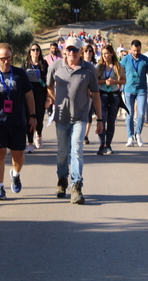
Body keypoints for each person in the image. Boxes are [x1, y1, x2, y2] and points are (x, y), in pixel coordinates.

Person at [47, 37, 103, 205]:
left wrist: (100, 119)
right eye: (69, 49)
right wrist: (55, 100)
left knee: (77, 150)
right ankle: (62, 179)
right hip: (62, 117)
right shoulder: (55, 67)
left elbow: (95, 94)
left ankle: (76, 185)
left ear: (81, 51)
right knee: (63, 152)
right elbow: (49, 86)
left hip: (80, 116)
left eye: (75, 50)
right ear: (65, 50)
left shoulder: (89, 69)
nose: (71, 52)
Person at [0, 43, 37, 200]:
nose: (6, 62)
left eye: (8, 58)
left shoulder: (20, 74)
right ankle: (0, 188)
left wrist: (33, 116)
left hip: (18, 121)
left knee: (18, 156)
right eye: (2, 58)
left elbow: (29, 96)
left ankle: (15, 174)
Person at [120, 40, 148, 147]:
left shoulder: (146, 60)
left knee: (141, 113)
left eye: (138, 50)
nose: (136, 52)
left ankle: (138, 133)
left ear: (141, 49)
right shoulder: (125, 60)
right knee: (129, 113)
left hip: (142, 90)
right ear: (131, 49)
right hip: (128, 90)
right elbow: (120, 74)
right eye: (134, 50)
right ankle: (130, 136)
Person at [96, 45, 126, 155]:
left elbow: (123, 81)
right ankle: (101, 144)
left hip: (114, 96)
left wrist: (114, 82)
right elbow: (95, 82)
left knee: (111, 121)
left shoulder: (118, 66)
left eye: (106, 53)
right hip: (102, 95)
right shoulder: (99, 67)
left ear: (112, 54)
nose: (104, 56)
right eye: (103, 54)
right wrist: (104, 82)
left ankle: (108, 145)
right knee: (102, 119)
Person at [22, 43, 49, 153]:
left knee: (39, 119)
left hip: (40, 96)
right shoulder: (26, 64)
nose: (35, 51)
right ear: (30, 52)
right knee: (29, 118)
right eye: (33, 49)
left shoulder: (44, 64)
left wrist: (48, 97)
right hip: (28, 96)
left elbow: (48, 82)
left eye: (37, 49)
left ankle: (39, 134)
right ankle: (30, 143)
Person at [82, 44, 97, 145]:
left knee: (88, 115)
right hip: (79, 94)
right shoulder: (79, 64)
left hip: (91, 94)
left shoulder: (95, 66)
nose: (88, 53)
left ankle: (85, 135)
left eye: (90, 51)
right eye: (86, 51)